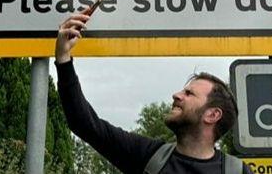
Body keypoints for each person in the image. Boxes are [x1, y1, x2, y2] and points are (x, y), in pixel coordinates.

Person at [55, 12, 252, 174]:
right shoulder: (149, 156)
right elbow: (86, 125)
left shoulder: (236, 171)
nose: (176, 95)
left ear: (213, 115)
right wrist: (63, 59)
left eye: (189, 94)